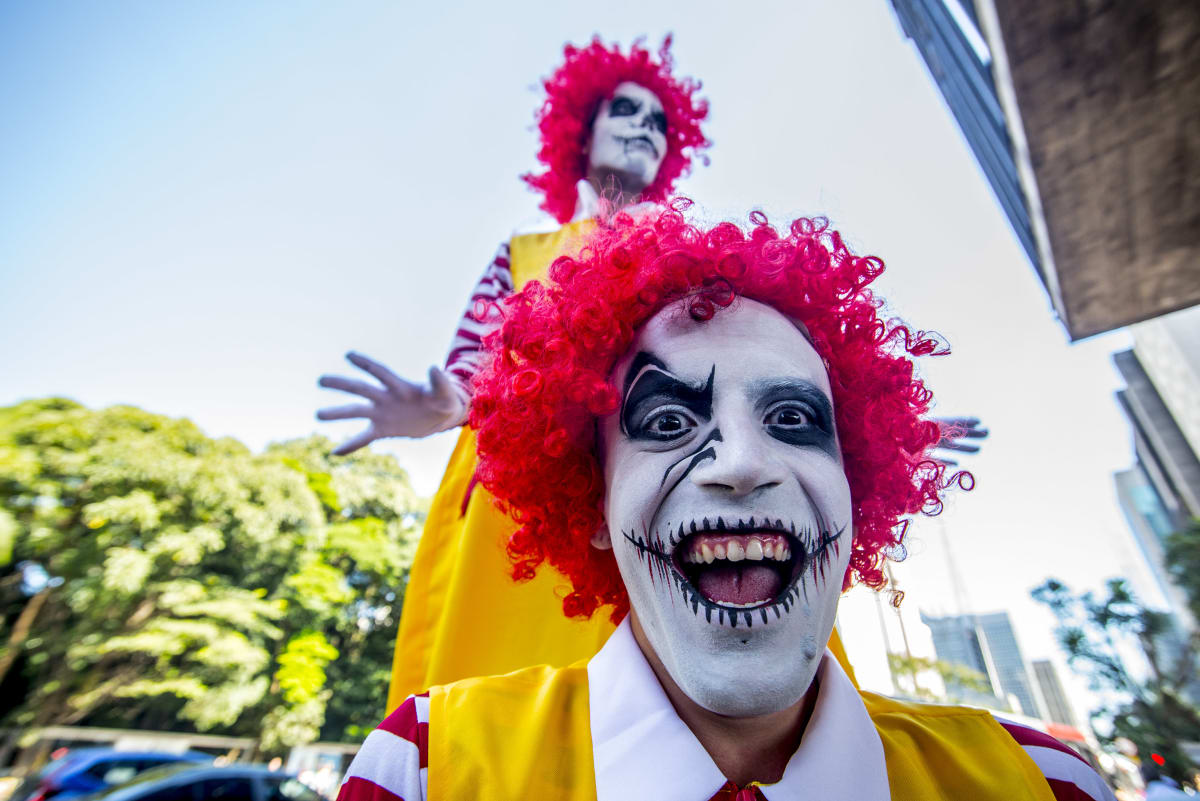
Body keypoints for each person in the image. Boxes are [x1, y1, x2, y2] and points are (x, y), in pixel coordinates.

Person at [335, 205, 1110, 800]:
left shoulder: (1044, 781)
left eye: (797, 421)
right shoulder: (422, 770)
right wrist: (455, 403)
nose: (740, 463)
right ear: (593, 498)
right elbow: (471, 369)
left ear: (857, 480)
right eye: (668, 423)